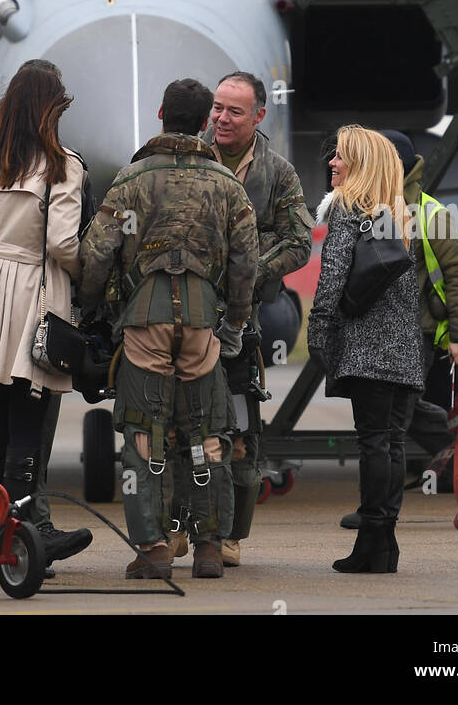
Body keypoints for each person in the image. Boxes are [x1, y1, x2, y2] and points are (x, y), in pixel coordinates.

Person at [78, 79, 259, 580]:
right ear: (205, 122)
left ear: (160, 113)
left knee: (144, 432)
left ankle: (154, 547)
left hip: (143, 318)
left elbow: (96, 254)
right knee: (208, 432)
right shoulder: (227, 184)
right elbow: (246, 262)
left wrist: (91, 309)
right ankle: (208, 546)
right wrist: (237, 323)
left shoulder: (131, 180)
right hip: (203, 320)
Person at [0, 62, 92, 567]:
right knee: (29, 419)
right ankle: (26, 533)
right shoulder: (63, 166)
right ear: (50, 110)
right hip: (32, 291)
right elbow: (62, 243)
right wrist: (88, 273)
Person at [335, 129, 458, 528]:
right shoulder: (364, 210)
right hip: (379, 335)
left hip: (417, 334)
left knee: (389, 426)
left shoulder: (431, 215)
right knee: (402, 420)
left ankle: (376, 513)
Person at [192, 70, 313, 568]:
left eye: (234, 111)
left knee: (240, 434)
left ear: (259, 116)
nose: (221, 118)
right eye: (217, 107)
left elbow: (301, 242)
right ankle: (188, 527)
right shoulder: (187, 159)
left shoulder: (278, 173)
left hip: (245, 324)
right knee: (186, 430)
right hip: (191, 316)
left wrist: (251, 272)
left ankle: (231, 535)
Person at [307, 125, 424, 572]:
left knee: (373, 443)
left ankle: (372, 543)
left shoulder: (347, 208)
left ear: (361, 165)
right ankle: (384, 543)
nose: (332, 164)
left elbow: (333, 272)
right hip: (402, 349)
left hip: (368, 349)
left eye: (340, 157)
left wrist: (318, 328)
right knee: (391, 443)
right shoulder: (392, 212)